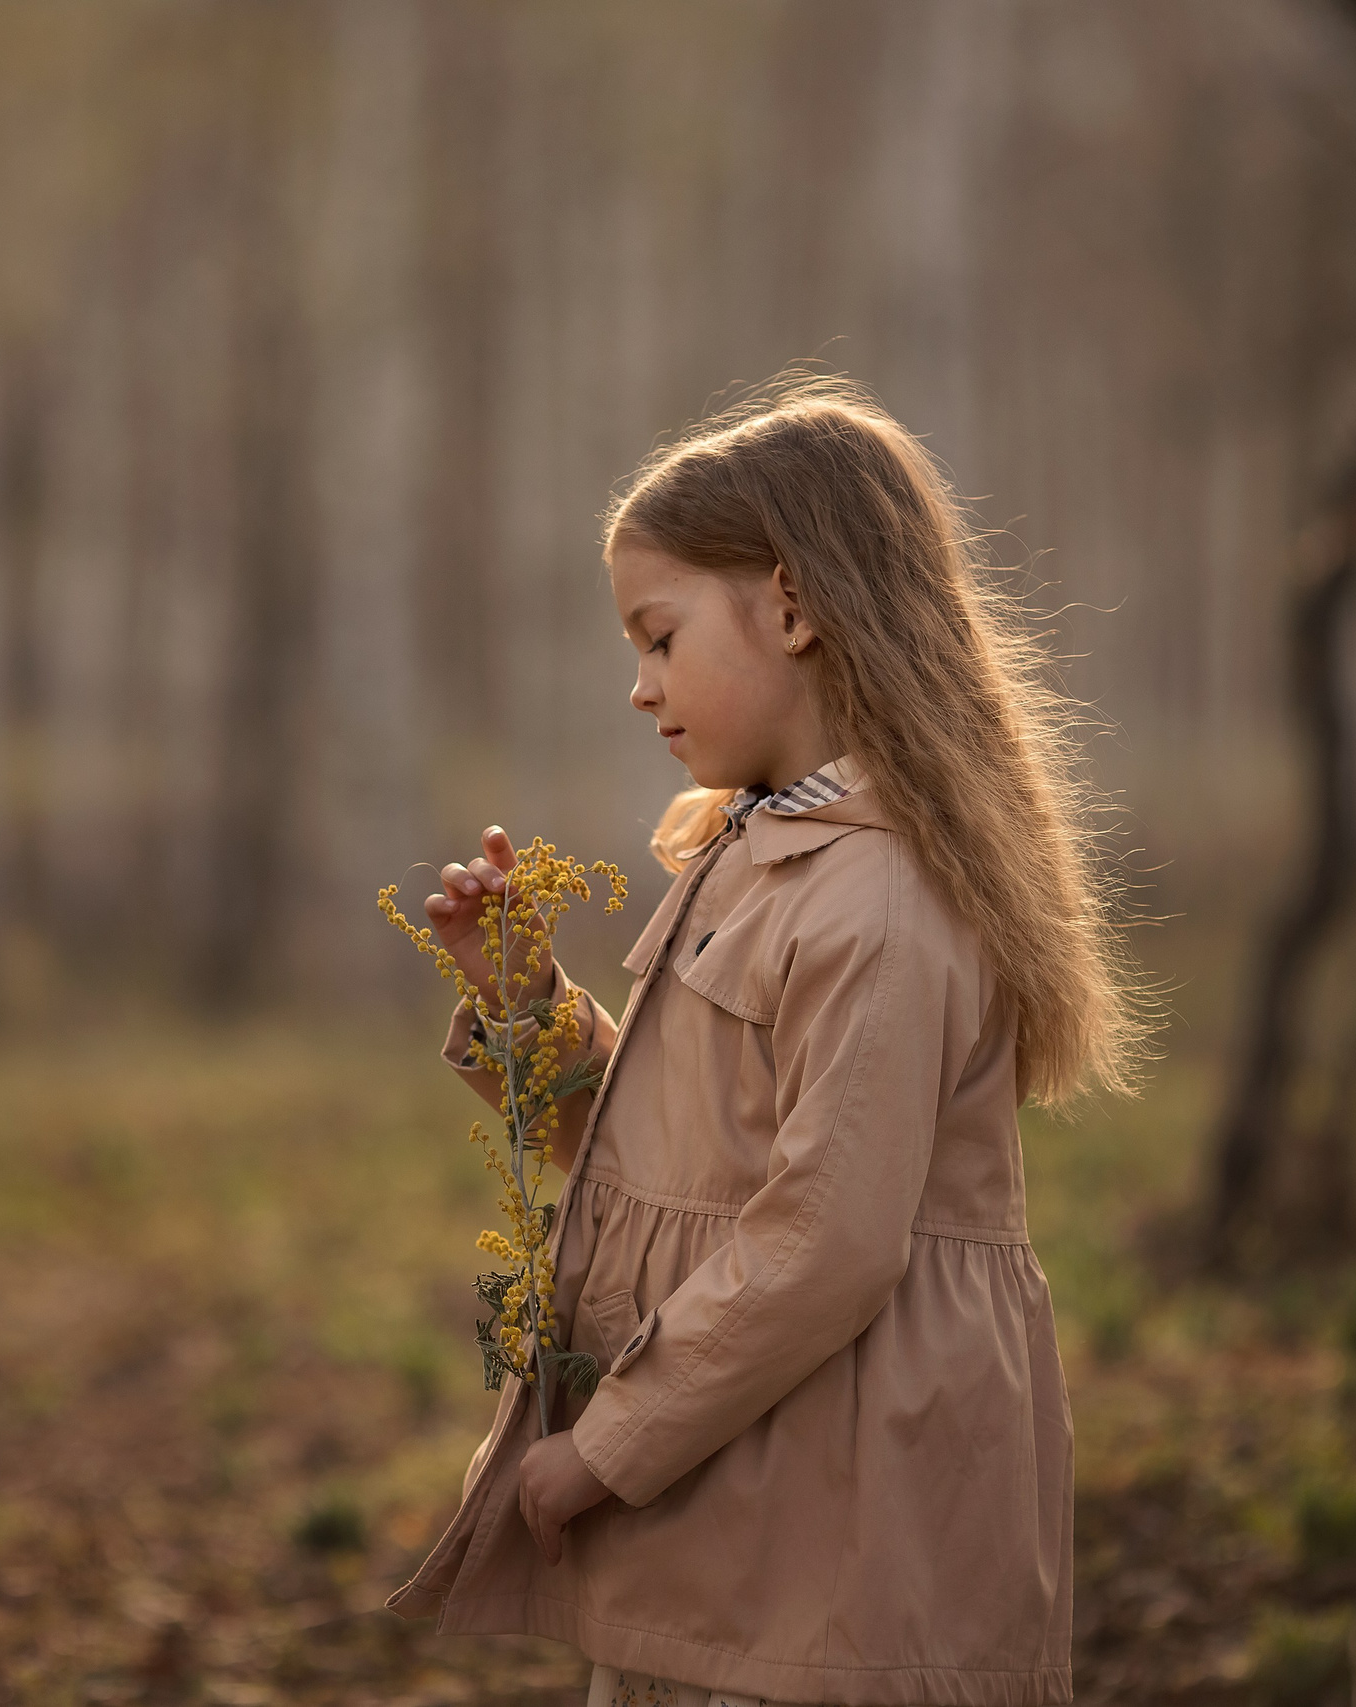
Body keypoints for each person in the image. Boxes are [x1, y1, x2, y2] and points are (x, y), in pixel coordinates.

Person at [386, 372, 1150, 1707]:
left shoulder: (882, 901)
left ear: (790, 606)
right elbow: (671, 1151)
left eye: (660, 637)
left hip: (838, 1531)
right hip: (739, 1493)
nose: (640, 687)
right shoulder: (756, 854)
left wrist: (607, 1445)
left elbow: (828, 1240)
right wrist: (527, 1005)